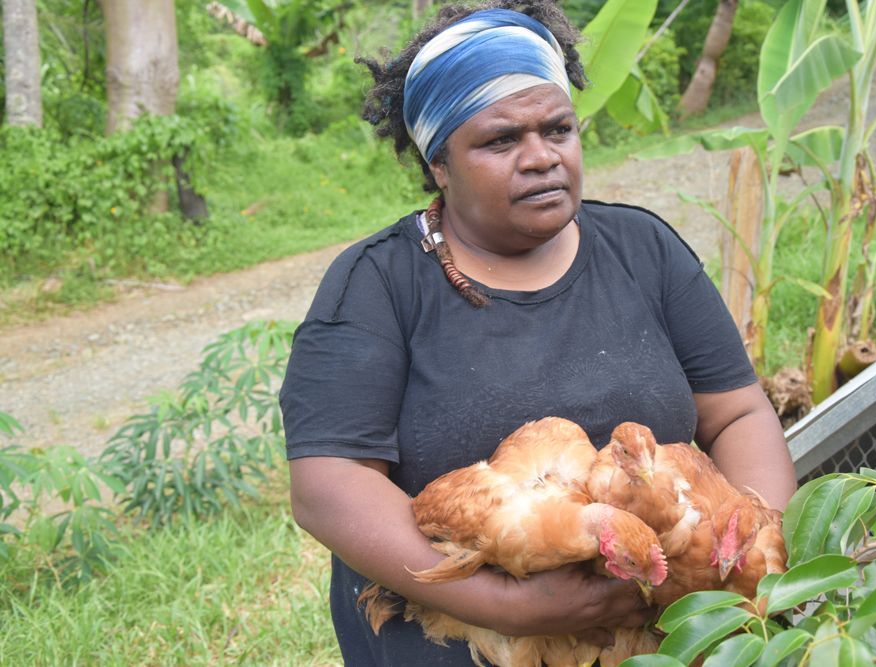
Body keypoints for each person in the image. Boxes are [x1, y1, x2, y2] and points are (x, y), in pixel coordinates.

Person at [279, 1, 798, 665]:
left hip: (657, 638)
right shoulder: (376, 286)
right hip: (457, 639)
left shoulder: (644, 250)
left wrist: (750, 549)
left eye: (558, 129)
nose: (541, 157)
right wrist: (507, 603)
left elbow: (738, 411)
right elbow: (328, 486)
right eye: (501, 140)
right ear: (439, 162)